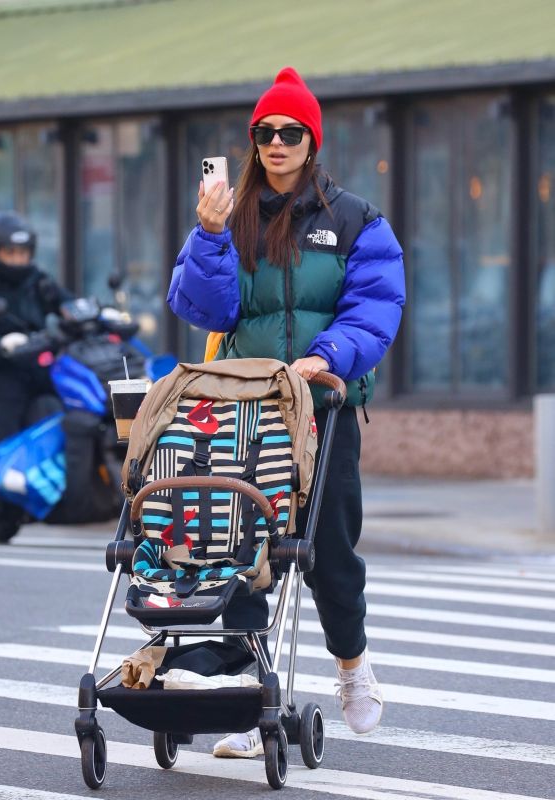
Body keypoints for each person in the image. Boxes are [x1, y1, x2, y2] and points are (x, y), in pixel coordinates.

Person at [167, 67, 405, 757]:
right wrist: (208, 238)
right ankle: (246, 701)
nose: (276, 143)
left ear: (312, 141)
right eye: (265, 132)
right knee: (244, 546)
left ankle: (353, 666)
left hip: (322, 407)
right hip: (247, 409)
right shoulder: (231, 214)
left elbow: (377, 305)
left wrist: (329, 354)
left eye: (290, 132)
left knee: (328, 552)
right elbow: (203, 309)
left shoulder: (354, 218)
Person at [0, 210, 71, 536]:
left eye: (23, 253)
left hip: (39, 369)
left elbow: (67, 303)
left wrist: (95, 311)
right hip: (5, 372)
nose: (17, 260)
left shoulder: (38, 281)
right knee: (5, 428)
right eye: (10, 253)